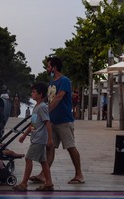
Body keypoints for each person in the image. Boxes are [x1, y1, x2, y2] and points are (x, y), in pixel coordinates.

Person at [29, 56, 84, 185]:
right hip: (52, 121)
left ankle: (79, 174)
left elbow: (58, 98)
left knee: (70, 146)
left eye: (48, 66)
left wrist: (45, 112)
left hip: (64, 120)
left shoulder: (64, 81)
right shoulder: (51, 82)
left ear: (54, 68)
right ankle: (44, 174)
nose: (47, 69)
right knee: (50, 147)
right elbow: (48, 99)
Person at [13, 82, 53, 191]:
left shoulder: (42, 107)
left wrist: (50, 139)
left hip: (39, 139)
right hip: (36, 138)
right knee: (43, 161)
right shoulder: (37, 107)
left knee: (28, 158)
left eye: (34, 92)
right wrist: (24, 135)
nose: (32, 94)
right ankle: (49, 183)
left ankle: (24, 184)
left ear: (40, 94)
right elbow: (33, 125)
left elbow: (47, 123)